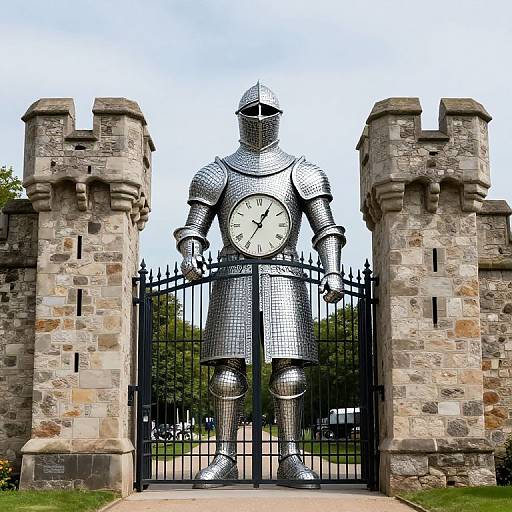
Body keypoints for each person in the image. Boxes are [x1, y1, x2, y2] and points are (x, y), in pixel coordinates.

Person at [174, 83, 345, 488]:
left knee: (289, 371)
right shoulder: (215, 172)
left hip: (285, 273)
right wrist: (191, 251)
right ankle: (224, 457)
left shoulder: (303, 171)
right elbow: (193, 229)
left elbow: (326, 230)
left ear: (279, 117)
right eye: (252, 109)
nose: (259, 115)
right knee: (227, 372)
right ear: (239, 117)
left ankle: (290, 457)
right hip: (232, 271)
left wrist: (333, 270)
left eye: (267, 109)